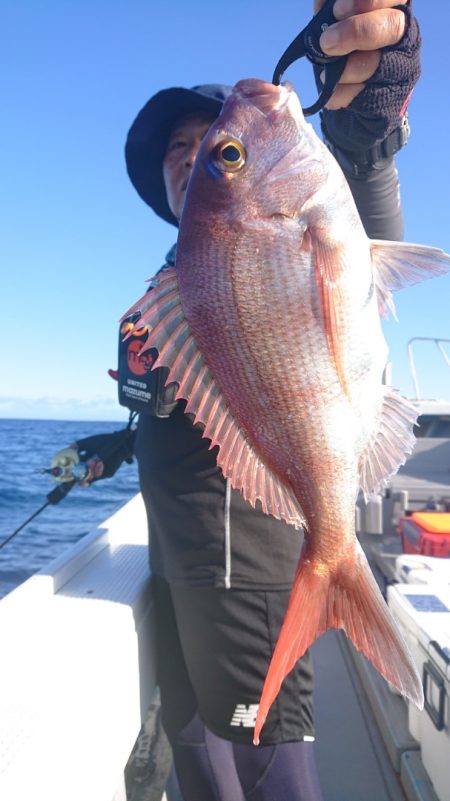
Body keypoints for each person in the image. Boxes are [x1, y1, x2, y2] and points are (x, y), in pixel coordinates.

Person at [120, 2, 421, 800]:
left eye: (211, 146)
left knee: (267, 762)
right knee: (199, 755)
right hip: (179, 565)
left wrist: (369, 131)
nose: (191, 155)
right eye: (176, 151)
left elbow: (364, 224)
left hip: (249, 570)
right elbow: (168, 407)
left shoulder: (289, 233)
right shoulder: (169, 295)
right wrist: (113, 446)